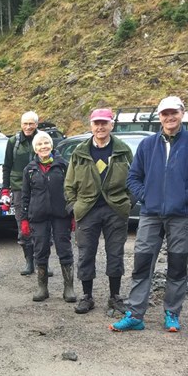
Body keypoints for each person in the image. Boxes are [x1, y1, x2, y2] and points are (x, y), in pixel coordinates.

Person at [111, 96, 188, 333]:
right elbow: (133, 177)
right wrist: (147, 196)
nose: (169, 117)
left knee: (177, 265)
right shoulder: (148, 145)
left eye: (174, 113)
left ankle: (172, 314)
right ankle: (136, 314)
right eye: (165, 113)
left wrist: (184, 197)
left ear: (182, 113)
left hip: (181, 216)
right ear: (159, 116)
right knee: (142, 264)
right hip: (151, 215)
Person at [64, 108, 134, 314]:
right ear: (91, 125)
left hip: (115, 210)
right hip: (87, 210)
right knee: (86, 254)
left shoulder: (123, 151)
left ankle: (115, 296)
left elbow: (136, 178)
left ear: (112, 125)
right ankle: (87, 296)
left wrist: (128, 202)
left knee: (115, 254)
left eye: (104, 123)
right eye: (97, 123)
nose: (100, 127)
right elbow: (69, 184)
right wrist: (73, 205)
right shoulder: (79, 152)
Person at [20, 131, 76, 303]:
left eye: (46, 143)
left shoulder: (64, 165)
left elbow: (72, 190)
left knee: (64, 250)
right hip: (38, 217)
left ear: (51, 145)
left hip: (61, 215)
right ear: (35, 148)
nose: (43, 146)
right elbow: (25, 196)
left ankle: (69, 288)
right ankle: (42, 288)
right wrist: (24, 219)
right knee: (40, 251)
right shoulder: (29, 169)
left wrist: (73, 214)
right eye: (39, 144)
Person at [2, 111, 40, 275]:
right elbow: (7, 166)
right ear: (21, 124)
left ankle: (42, 262)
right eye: (25, 123)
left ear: (36, 124)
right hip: (18, 189)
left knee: (42, 225)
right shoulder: (13, 142)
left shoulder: (43, 139)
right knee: (22, 225)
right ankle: (29, 263)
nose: (28, 127)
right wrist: (5, 190)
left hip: (40, 188)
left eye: (31, 123)